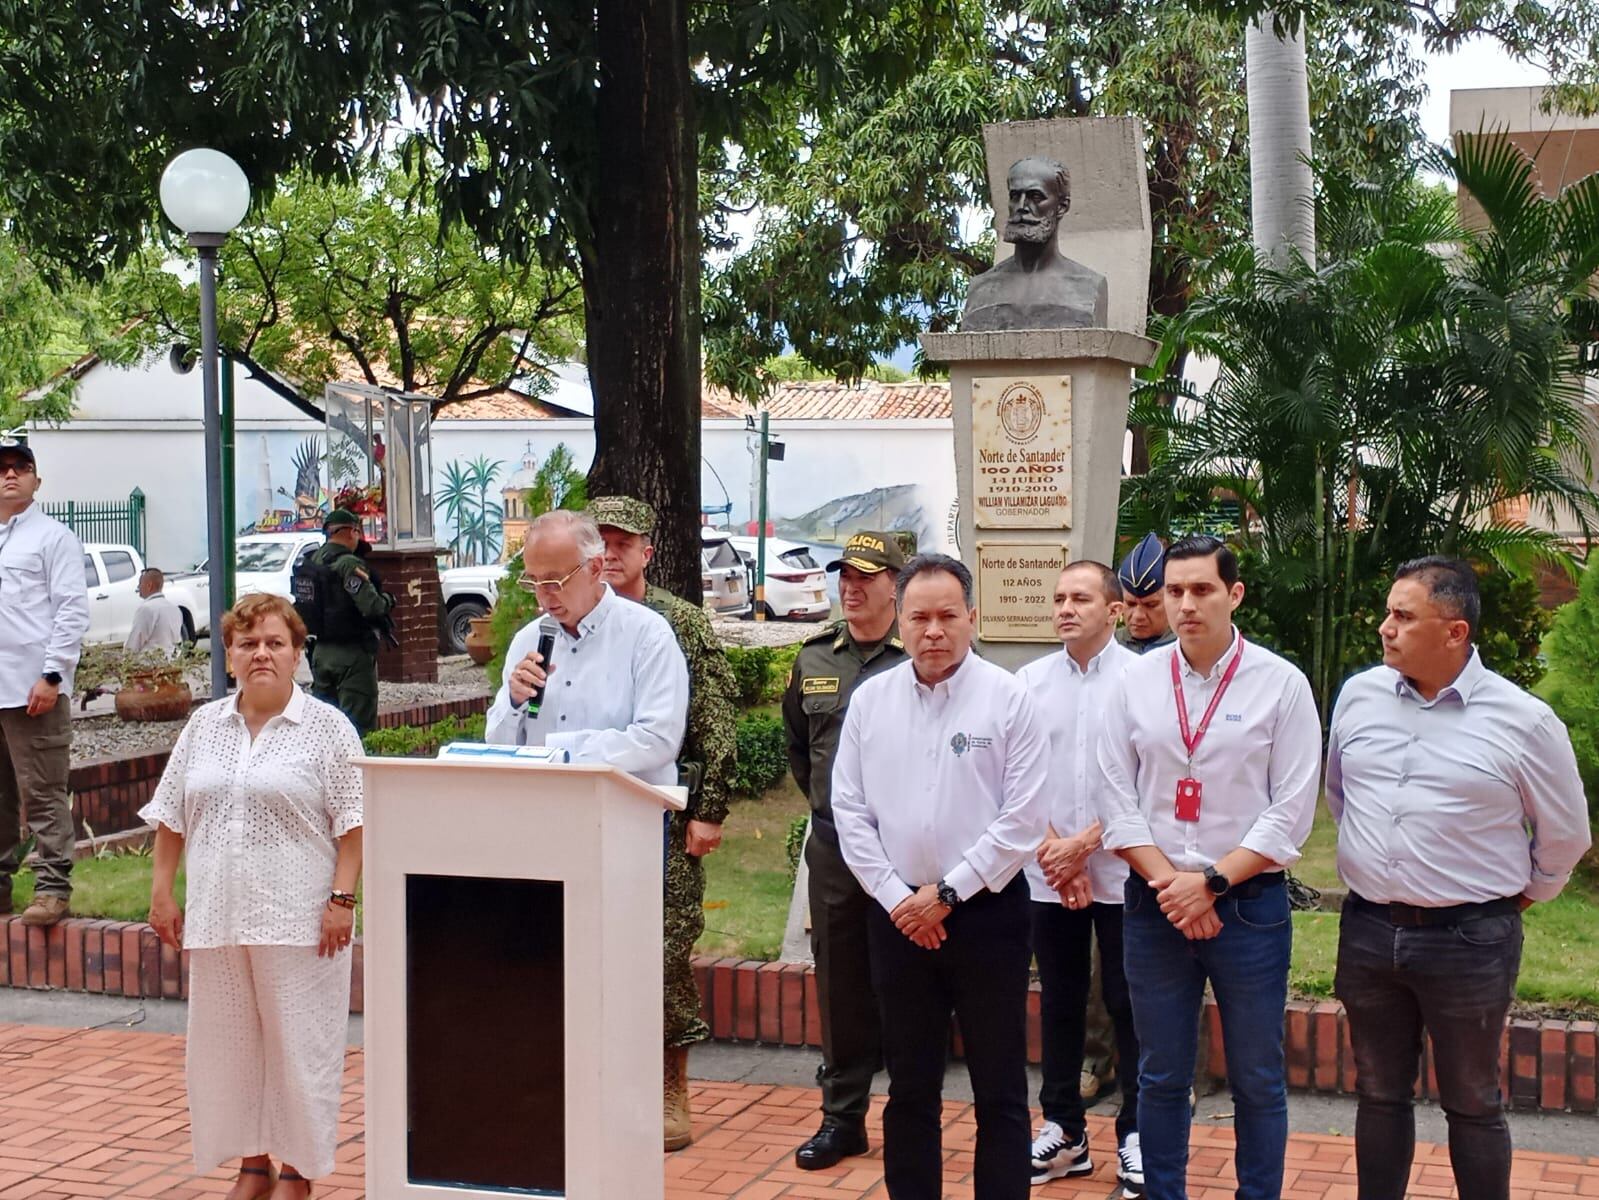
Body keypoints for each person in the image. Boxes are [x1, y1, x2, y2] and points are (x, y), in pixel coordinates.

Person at [1325, 557, 1591, 1200]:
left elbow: (1566, 834)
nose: (1385, 627)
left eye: (1403, 615)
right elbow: (1341, 794)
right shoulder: (1359, 694)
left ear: (1455, 632)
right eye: (1389, 612)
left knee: (1473, 1101)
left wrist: (1522, 897)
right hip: (1367, 929)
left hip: (1469, 942)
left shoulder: (1522, 721)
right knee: (1378, 1093)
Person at [1097, 534, 1321, 1200]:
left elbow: (1290, 811)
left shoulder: (1281, 685)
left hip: (1247, 906)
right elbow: (1114, 797)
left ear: (1234, 594)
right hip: (1155, 905)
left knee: (1256, 1077)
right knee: (1161, 1075)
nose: (1186, 605)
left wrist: (1213, 883)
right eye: (1174, 591)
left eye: (1201, 589)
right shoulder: (1133, 681)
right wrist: (1174, 888)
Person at [832, 553, 1049, 1200]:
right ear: (898, 621)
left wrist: (948, 894)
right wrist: (902, 900)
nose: (932, 631)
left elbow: (1023, 819)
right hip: (897, 919)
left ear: (971, 618)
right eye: (918, 617)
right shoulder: (870, 702)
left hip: (987, 917)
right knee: (909, 1087)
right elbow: (848, 810)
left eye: (946, 616)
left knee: (1000, 1086)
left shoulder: (1010, 700)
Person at [141, 593, 365, 1200]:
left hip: (302, 922)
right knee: (232, 1049)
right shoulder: (204, 727)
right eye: (248, 644)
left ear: (297, 653)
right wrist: (162, 894)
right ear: (230, 656)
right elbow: (171, 816)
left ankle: (298, 1172)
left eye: (275, 643)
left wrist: (342, 902)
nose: (261, 653)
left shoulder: (327, 729)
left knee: (300, 1049)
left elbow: (354, 826)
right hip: (218, 915)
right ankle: (253, 1166)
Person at [586, 495, 738, 1152]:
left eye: (624, 544)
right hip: (583, 817)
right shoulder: (564, 623)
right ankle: (601, 1084)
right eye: (601, 543)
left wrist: (707, 811)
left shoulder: (676, 622)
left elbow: (713, 720)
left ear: (646, 552)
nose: (611, 554)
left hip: (662, 820)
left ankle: (670, 1087)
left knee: (664, 953)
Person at [782, 529, 909, 1170]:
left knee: (910, 978)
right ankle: (843, 1117)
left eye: (865, 576)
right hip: (836, 849)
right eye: (844, 576)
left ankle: (914, 1112)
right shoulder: (814, 659)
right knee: (841, 985)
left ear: (896, 585)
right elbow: (801, 752)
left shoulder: (919, 655)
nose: (850, 587)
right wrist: (836, 815)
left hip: (910, 850)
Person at [1016, 561, 1143, 1197]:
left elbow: (1150, 777)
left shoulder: (1143, 680)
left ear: (1114, 610)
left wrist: (1087, 845)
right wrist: (1053, 853)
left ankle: (1136, 1135)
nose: (1066, 608)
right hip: (1048, 873)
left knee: (1128, 1002)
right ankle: (1063, 1129)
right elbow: (1014, 777)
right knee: (1061, 1002)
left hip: (1125, 869)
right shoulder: (1029, 682)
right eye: (1060, 598)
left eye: (1081, 598)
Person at [485, 509, 687, 787]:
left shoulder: (647, 636)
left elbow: (658, 739)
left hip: (625, 814)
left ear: (594, 568)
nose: (544, 595)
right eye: (534, 581)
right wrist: (514, 701)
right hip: (541, 809)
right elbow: (497, 746)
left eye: (554, 581)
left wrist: (561, 752)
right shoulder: (527, 639)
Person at [0, 434, 89, 928]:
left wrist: (53, 674)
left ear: (36, 479)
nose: (10, 473)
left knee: (42, 792)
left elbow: (71, 611)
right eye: (2, 467)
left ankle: (53, 888)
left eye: (21, 466)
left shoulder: (53, 538)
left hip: (33, 689)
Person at [960, 155, 1109, 332]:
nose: (1021, 206)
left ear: (1061, 207)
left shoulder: (1087, 287)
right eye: (1015, 196)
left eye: (1036, 196)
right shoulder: (981, 288)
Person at [295, 509, 395, 735]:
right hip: (351, 655)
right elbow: (372, 606)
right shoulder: (348, 564)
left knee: (325, 725)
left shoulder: (312, 561)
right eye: (357, 532)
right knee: (357, 727)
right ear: (351, 532)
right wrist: (389, 600)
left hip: (320, 654)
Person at [1116, 532, 1176, 655]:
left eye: (1151, 605)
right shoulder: (1104, 647)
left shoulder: (1191, 650)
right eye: (1131, 604)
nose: (1138, 616)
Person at [125, 567, 185, 656]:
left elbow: (133, 645)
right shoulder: (175, 610)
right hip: (171, 663)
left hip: (150, 664)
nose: (138, 587)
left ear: (149, 585)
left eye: (140, 583)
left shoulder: (146, 609)